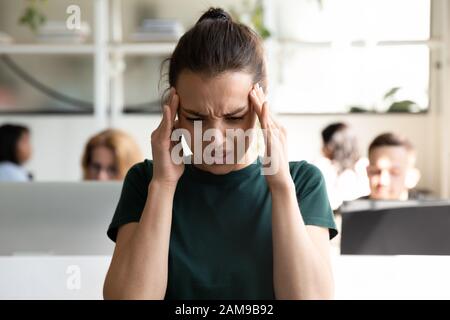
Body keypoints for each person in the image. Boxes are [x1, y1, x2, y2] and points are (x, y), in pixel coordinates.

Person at [103, 8, 337, 300]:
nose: (214, 137)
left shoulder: (302, 182)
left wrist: (280, 187)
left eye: (235, 116)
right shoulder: (146, 181)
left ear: (260, 105)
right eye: (195, 118)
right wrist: (163, 186)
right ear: (173, 109)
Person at [315, 122, 370, 210]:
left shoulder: (362, 167)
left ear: (332, 145)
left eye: (324, 143)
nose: (322, 148)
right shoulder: (364, 164)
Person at [366, 132, 421, 200]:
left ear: (413, 178)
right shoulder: (352, 209)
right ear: (367, 172)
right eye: (375, 171)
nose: (383, 181)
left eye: (394, 172)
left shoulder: (430, 210)